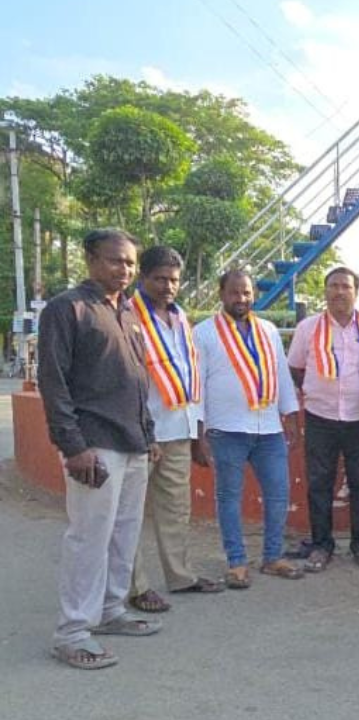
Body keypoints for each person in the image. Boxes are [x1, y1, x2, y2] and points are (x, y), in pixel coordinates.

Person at [40, 228, 160, 669]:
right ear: (91, 260)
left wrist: (148, 435)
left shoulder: (126, 311)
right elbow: (53, 382)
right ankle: (72, 633)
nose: (124, 269)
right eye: (115, 260)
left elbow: (138, 379)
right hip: (94, 445)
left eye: (130, 262)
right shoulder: (67, 308)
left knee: (124, 533)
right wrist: (73, 447)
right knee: (88, 537)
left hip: (132, 442)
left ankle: (111, 610)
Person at [127, 246, 224, 615]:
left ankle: (180, 576)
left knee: (176, 509)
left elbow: (190, 376)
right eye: (160, 279)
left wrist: (198, 433)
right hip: (140, 432)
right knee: (130, 514)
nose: (168, 286)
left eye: (174, 280)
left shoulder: (181, 318)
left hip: (179, 430)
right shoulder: (127, 315)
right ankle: (135, 587)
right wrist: (142, 432)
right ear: (143, 278)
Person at [194, 270, 303, 589]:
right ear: (221, 294)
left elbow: (281, 374)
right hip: (226, 428)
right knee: (229, 496)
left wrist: (290, 415)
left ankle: (272, 556)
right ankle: (236, 562)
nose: (241, 299)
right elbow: (197, 386)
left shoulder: (267, 330)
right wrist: (199, 433)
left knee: (279, 493)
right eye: (234, 292)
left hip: (268, 427)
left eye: (246, 293)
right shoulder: (203, 333)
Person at [287, 267, 359, 573]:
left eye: (346, 286)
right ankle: (321, 545)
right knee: (319, 483)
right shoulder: (308, 328)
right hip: (320, 417)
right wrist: (316, 391)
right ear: (325, 291)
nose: (340, 291)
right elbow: (296, 367)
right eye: (334, 286)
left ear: (356, 292)